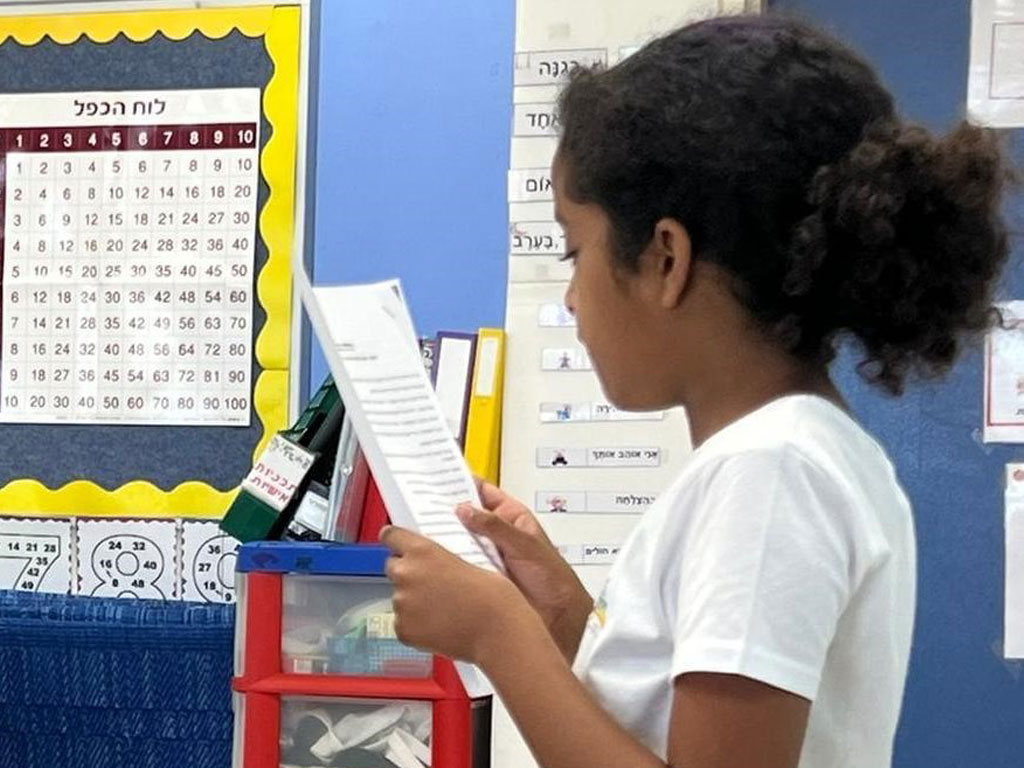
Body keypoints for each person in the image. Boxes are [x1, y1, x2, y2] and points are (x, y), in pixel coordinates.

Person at [381, 14, 1010, 768]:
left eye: (576, 251)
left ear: (665, 259)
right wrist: (561, 616)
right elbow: (677, 718)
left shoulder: (771, 474)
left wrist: (497, 636)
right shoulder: (806, 455)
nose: (573, 299)